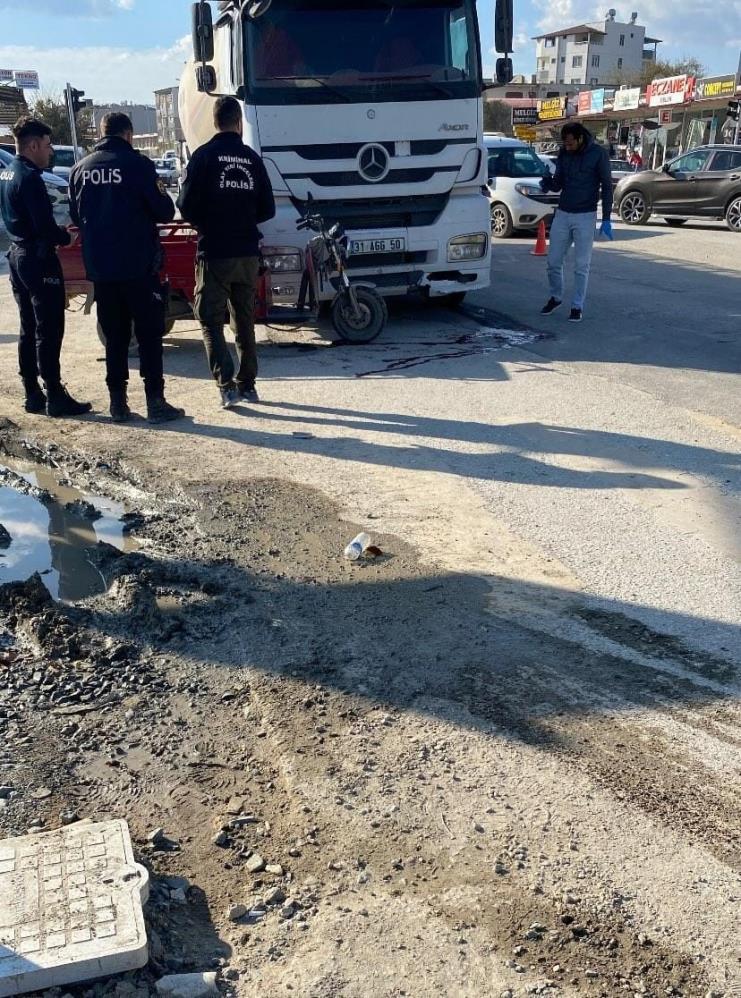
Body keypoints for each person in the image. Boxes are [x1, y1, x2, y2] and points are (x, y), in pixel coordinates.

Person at [69, 112, 184, 424]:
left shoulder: (80, 169)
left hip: (102, 269)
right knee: (148, 334)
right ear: (128, 134)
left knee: (116, 337)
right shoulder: (139, 166)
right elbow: (164, 210)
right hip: (138, 267)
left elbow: (77, 217)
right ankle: (155, 402)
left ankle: (118, 404)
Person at [177, 95, 275, 409]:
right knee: (244, 320)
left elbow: (185, 205)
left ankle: (226, 385)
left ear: (215, 122)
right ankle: (248, 385)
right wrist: (243, 219)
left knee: (209, 319)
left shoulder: (203, 157)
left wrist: (208, 223)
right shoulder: (252, 160)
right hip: (247, 252)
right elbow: (267, 209)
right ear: (237, 123)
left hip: (215, 252)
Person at [0, 117, 91, 417]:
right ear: (34, 145)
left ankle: (32, 393)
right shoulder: (30, 178)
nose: (50, 152)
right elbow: (45, 227)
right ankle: (54, 393)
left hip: (17, 257)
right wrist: (65, 236)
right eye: (48, 145)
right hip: (38, 259)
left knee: (29, 326)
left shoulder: (7, 174)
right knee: (49, 327)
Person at [539, 122, 613, 323]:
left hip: (585, 216)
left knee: (581, 265)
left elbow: (607, 186)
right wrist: (547, 181)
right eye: (565, 143)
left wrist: (606, 217)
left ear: (581, 138)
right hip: (563, 213)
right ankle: (556, 297)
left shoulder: (598, 154)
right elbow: (558, 183)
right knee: (553, 262)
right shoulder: (564, 153)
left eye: (571, 143)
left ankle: (577, 305)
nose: (568, 147)